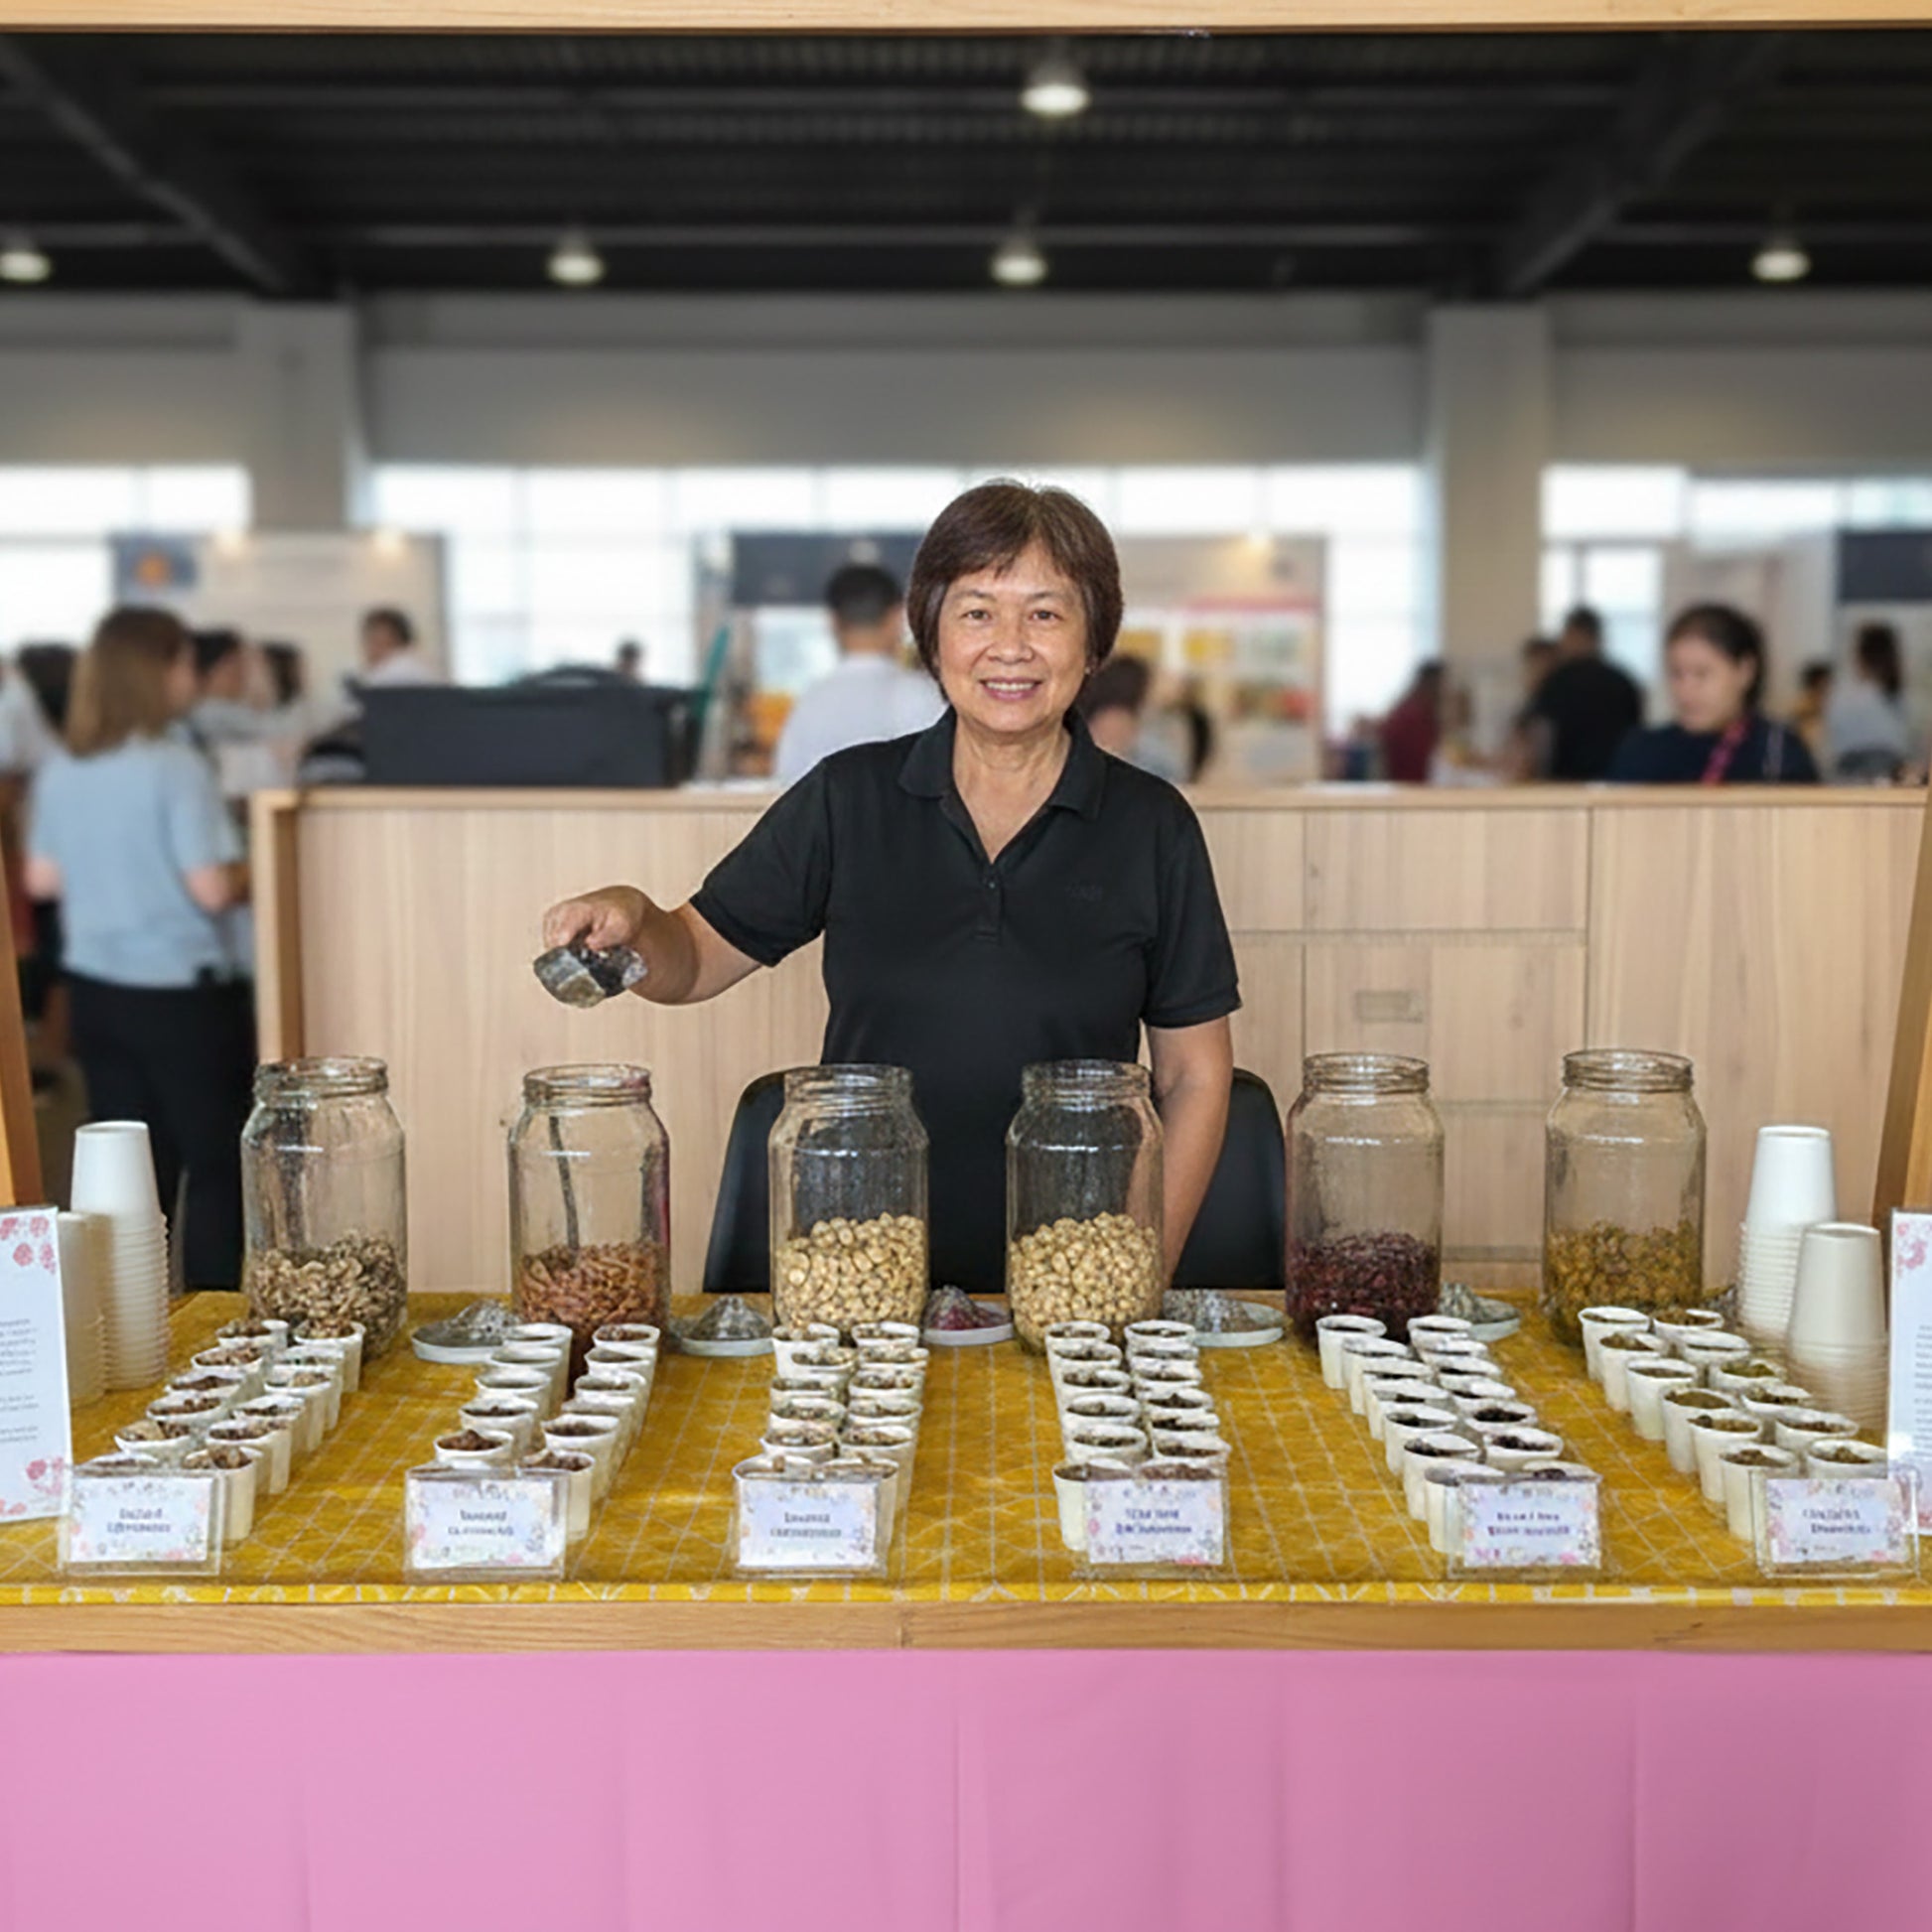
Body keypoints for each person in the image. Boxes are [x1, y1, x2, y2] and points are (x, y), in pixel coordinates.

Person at [542, 481, 1240, 1293]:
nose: (1010, 646)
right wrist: (635, 920)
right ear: (932, 636)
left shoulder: (1152, 825)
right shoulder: (848, 799)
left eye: (1046, 614)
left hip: (1074, 1270)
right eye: (977, 612)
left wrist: (1134, 1270)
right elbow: (693, 958)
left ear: (1094, 644)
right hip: (862, 1266)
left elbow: (1194, 1076)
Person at [25, 608, 253, 1288]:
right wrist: (255, 863)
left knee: (131, 1170)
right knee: (214, 1165)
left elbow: (42, 879)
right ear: (154, 672)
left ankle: (135, 1323)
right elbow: (211, 888)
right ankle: (210, 1322)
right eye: (183, 662)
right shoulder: (175, 766)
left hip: (97, 990)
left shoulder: (64, 767)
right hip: (180, 993)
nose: (191, 676)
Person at [1607, 604, 1818, 785]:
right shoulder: (1641, 750)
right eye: (1677, 674)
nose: (1686, 689)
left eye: (1701, 674)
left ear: (1745, 671)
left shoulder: (1777, 751)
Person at [772, 564, 943, 784]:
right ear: (898, 618)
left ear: (833, 622)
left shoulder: (809, 705)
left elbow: (784, 785)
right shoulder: (923, 696)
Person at [1525, 606, 1644, 781]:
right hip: (1617, 780)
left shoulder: (1558, 680)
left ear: (1574, 634)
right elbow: (1636, 734)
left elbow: (1542, 735)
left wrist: (1536, 775)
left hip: (1565, 781)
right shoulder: (1624, 681)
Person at [1825, 622, 1912, 782]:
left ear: (1860, 655)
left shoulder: (1843, 696)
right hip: (1891, 774)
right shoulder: (1896, 696)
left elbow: (1832, 741)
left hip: (1851, 775)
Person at [1379, 660, 1444, 783]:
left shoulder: (1410, 708)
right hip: (1409, 783)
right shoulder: (1413, 715)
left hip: (1408, 781)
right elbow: (1422, 758)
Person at [357, 606, 440, 689]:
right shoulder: (420, 665)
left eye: (381, 643)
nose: (372, 650)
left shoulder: (399, 668)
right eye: (370, 641)